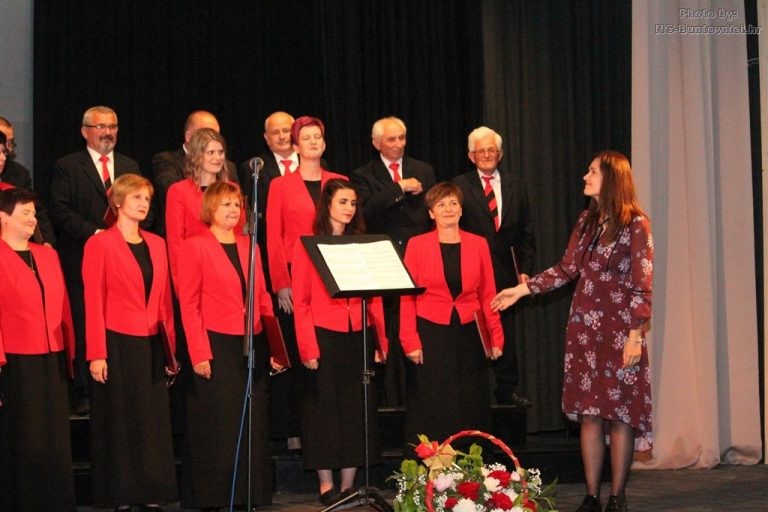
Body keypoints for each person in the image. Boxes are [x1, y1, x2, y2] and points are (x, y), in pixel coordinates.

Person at [491, 151, 653, 512]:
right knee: (590, 412)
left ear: (612, 178)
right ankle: (592, 496)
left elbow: (643, 284)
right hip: (584, 329)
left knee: (619, 414)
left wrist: (635, 334)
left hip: (620, 331)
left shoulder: (636, 224)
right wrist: (522, 289)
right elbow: (566, 269)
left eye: (592, 172)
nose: (585, 176)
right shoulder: (586, 220)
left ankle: (617, 497)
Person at [176, 181, 275, 510]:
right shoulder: (195, 246)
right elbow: (189, 305)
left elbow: (262, 297)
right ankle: (214, 497)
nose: (233, 210)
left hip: (250, 342)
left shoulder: (250, 246)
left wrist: (275, 347)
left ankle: (249, 494)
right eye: (226, 205)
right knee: (219, 424)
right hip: (215, 343)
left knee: (251, 422)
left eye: (236, 205)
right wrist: (199, 352)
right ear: (210, 209)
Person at [82, 174, 177, 510]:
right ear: (118, 202)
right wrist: (97, 353)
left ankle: (151, 491)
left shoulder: (157, 243)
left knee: (151, 421)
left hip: (151, 342)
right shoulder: (99, 244)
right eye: (136, 197)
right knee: (121, 421)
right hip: (116, 341)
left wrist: (170, 352)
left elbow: (164, 300)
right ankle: (121, 494)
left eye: (147, 199)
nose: (143, 203)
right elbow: (93, 301)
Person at [291, 179, 388, 505]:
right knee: (324, 409)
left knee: (355, 407)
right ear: (328, 205)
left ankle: (349, 484)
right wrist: (308, 347)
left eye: (353, 203)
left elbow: (375, 297)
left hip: (358, 333)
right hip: (323, 333)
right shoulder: (308, 245)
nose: (349, 208)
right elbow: (301, 301)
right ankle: (326, 485)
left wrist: (381, 340)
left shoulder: (362, 244)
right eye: (343, 202)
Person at [49, 105, 141, 416]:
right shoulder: (67, 166)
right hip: (81, 257)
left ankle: (119, 385)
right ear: (84, 131)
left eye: (112, 126)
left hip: (124, 262)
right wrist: (97, 234)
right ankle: (85, 391)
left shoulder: (129, 165)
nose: (107, 132)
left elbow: (145, 206)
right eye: (100, 126)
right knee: (85, 319)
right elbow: (60, 211)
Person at [399, 182, 503, 450]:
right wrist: (409, 340)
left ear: (461, 210)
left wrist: (495, 337)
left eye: (453, 203)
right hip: (430, 331)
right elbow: (407, 297)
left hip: (470, 331)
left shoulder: (479, 244)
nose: (448, 209)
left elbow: (488, 294)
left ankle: (471, 464)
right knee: (434, 399)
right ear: (431, 213)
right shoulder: (416, 245)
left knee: (470, 399)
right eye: (441, 204)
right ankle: (433, 464)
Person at [265, 116, 346, 453]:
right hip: (294, 277)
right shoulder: (280, 185)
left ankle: (330, 428)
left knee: (328, 354)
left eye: (318, 137)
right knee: (298, 355)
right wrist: (280, 283)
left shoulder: (339, 182)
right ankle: (295, 430)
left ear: (324, 144)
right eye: (306, 137)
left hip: (333, 277)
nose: (313, 142)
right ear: (295, 146)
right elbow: (273, 236)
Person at [351, 116, 437, 407]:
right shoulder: (363, 175)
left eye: (402, 138)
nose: (399, 144)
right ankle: (389, 398)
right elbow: (364, 211)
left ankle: (417, 395)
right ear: (376, 143)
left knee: (415, 324)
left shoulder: (423, 170)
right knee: (387, 326)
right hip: (383, 259)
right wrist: (398, 188)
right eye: (391, 139)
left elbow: (432, 212)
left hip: (418, 255)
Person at [0, 187, 75, 511]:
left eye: (33, 213)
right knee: (25, 435)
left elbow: (64, 306)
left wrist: (68, 351)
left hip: (52, 353)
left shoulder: (47, 254)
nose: (33, 219)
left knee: (54, 435)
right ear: (3, 217)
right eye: (25, 213)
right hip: (15, 358)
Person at [452, 126, 534, 407]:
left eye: (492, 150)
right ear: (471, 156)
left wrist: (525, 270)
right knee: (471, 331)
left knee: (505, 332)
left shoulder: (516, 185)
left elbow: (526, 232)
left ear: (500, 154)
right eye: (481, 151)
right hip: (470, 270)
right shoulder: (459, 185)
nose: (487, 155)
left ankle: (507, 391)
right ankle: (471, 391)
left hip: (505, 272)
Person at [165, 127, 243, 288]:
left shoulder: (232, 189)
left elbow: (239, 233)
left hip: (228, 269)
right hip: (196, 271)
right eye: (210, 152)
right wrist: (181, 284)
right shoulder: (179, 191)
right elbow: (175, 242)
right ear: (196, 155)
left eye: (220, 152)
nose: (217, 158)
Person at [152, 110, 238, 236]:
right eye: (205, 133)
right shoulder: (167, 161)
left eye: (216, 134)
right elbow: (173, 194)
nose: (217, 157)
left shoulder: (229, 167)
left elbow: (240, 211)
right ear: (189, 136)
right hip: (187, 235)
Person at [0, 121, 57, 245]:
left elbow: (36, 210)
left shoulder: (20, 173)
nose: (7, 149)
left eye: (10, 142)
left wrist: (46, 241)